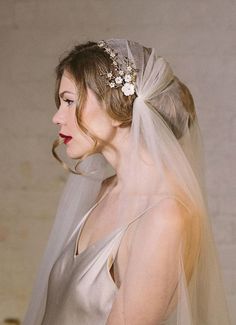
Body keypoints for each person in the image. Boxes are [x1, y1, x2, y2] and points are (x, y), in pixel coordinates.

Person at [23, 39, 231, 325]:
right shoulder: (105, 190)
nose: (57, 117)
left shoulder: (164, 216)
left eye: (69, 101)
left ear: (116, 106)